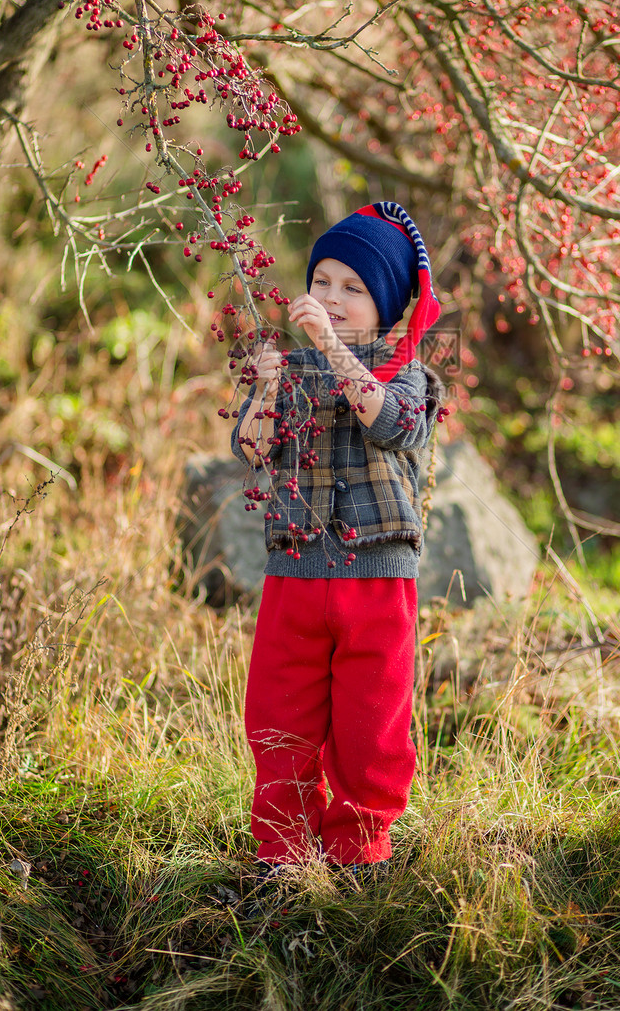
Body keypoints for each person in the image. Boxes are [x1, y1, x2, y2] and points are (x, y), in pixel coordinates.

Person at [231, 201, 442, 881]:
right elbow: (252, 448)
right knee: (277, 708)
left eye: (353, 288)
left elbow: (392, 424)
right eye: (323, 280)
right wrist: (265, 389)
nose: (332, 298)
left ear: (383, 306)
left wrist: (329, 348)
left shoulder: (407, 370)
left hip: (376, 575)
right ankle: (284, 852)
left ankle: (359, 851)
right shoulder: (289, 368)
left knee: (370, 716)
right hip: (295, 566)